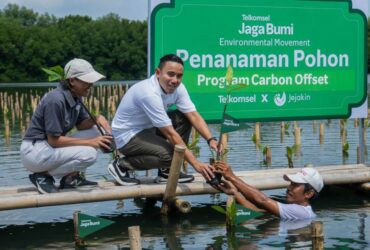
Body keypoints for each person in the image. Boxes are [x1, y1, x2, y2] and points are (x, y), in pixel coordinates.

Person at [109, 54, 220, 185]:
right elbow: (170, 133)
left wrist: (211, 139)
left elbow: (193, 115)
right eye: (171, 74)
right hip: (127, 135)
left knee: (183, 117)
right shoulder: (148, 93)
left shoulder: (178, 88)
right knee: (174, 157)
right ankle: (121, 165)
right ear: (158, 73)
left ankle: (167, 172)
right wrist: (196, 164)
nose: (175, 80)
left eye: (179, 76)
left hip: (148, 128)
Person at [20, 58, 113, 194]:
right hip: (35, 151)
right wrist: (91, 143)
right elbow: (54, 140)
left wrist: (97, 119)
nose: (91, 84)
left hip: (47, 148)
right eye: (86, 81)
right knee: (89, 154)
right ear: (72, 81)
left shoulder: (76, 96)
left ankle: (70, 178)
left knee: (96, 132)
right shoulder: (56, 100)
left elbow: (81, 126)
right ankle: (43, 176)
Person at [214, 161, 324, 220]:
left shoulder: (301, 213)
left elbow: (263, 200)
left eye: (295, 185)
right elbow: (258, 211)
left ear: (309, 194)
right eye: (291, 183)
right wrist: (235, 193)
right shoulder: (294, 211)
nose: (289, 188)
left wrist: (232, 177)